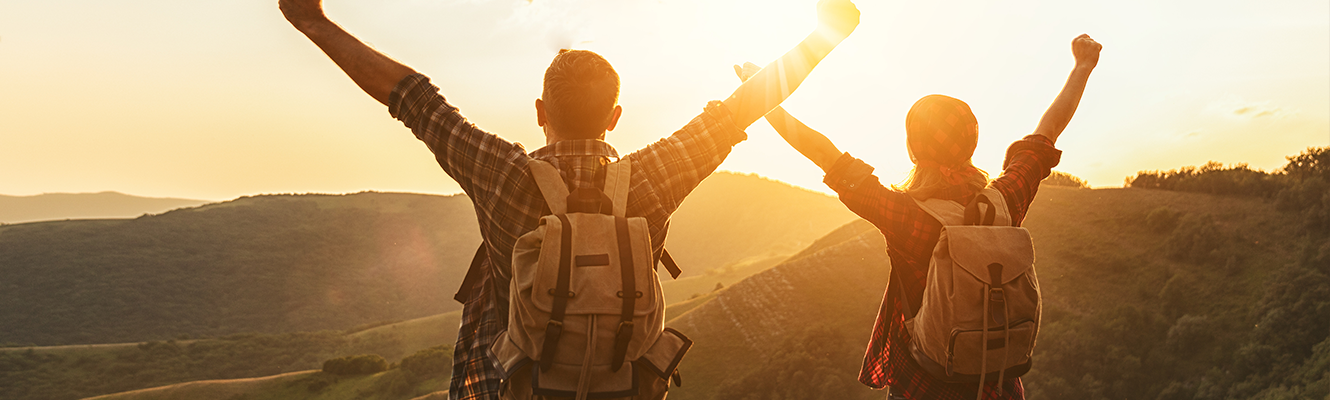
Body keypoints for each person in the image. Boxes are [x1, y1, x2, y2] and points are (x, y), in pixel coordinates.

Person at [278, 0, 860, 398]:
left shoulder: (504, 175)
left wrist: (313, 21)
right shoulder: (651, 177)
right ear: (615, 117)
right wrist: (826, 33)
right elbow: (741, 108)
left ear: (540, 114)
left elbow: (414, 99)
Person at [735, 34, 1102, 399]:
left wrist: (765, 97)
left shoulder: (905, 215)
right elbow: (1047, 132)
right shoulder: (1006, 201)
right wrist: (1082, 67)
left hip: (924, 386)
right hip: (998, 386)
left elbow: (823, 153)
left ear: (913, 149)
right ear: (972, 142)